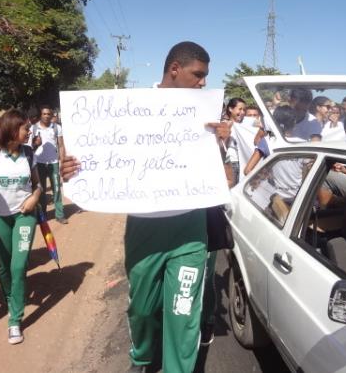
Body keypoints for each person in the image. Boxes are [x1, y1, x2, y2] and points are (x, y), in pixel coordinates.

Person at [60, 41, 230, 373]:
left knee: (183, 315)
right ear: (175, 69)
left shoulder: (205, 114)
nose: (202, 83)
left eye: (205, 77)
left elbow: (219, 175)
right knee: (142, 310)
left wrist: (221, 142)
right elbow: (97, 154)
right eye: (198, 75)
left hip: (190, 232)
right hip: (144, 231)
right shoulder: (127, 108)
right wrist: (72, 170)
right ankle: (141, 358)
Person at [0, 109, 42, 345]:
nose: (29, 132)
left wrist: (35, 197)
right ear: (12, 130)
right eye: (25, 128)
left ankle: (14, 319)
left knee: (18, 266)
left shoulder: (28, 153)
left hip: (24, 216)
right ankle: (12, 297)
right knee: (4, 267)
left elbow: (37, 185)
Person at [30, 105, 66, 224]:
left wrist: (62, 161)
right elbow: (29, 147)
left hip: (53, 163)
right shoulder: (33, 128)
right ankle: (42, 216)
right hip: (39, 163)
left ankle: (59, 215)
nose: (46, 116)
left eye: (48, 114)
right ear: (41, 115)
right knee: (41, 190)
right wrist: (36, 145)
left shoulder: (56, 127)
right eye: (44, 114)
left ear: (52, 115)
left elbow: (61, 145)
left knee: (56, 189)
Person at [223, 97, 246, 187]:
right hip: (231, 163)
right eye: (240, 109)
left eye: (244, 110)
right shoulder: (224, 124)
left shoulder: (246, 125)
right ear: (230, 109)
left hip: (244, 162)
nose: (242, 112)